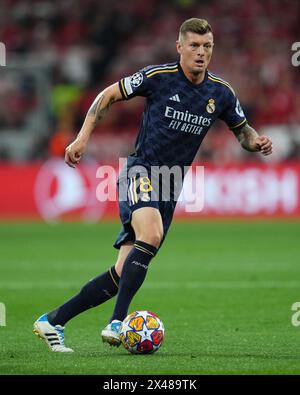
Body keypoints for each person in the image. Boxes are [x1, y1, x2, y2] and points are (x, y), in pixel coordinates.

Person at [33, 18, 273, 352]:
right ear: (180, 47)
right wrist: (82, 137)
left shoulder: (221, 93)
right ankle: (117, 322)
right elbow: (108, 95)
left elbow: (243, 133)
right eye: (194, 46)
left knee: (121, 273)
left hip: (170, 186)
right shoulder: (158, 78)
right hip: (140, 171)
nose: (201, 53)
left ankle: (53, 320)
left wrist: (256, 141)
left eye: (207, 46)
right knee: (152, 234)